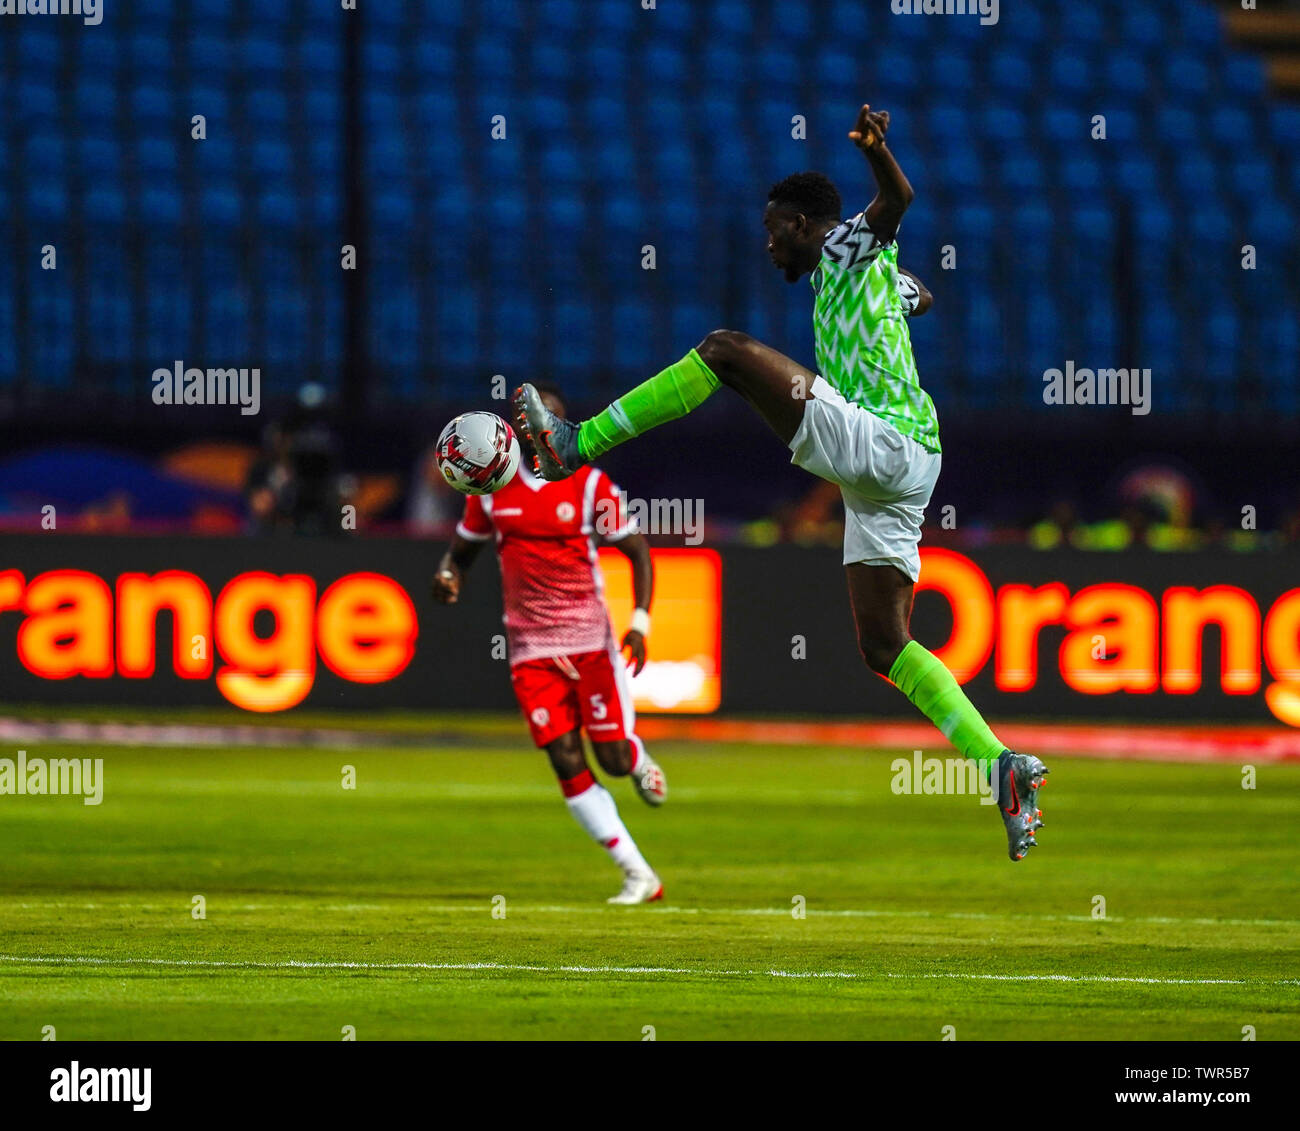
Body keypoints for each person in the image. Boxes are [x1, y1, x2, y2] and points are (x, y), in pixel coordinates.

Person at [514, 105, 1048, 861]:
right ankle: (1003, 767)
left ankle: (577, 443)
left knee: (725, 350)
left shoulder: (844, 247)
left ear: (806, 224)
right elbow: (918, 294)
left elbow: (897, 205)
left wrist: (878, 156)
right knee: (885, 644)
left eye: (775, 230)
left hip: (885, 442)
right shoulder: (865, 276)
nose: (768, 245)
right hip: (902, 470)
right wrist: (909, 291)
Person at [433, 383, 669, 902]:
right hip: (530, 651)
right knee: (564, 758)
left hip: (589, 642)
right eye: (534, 425)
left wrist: (640, 622)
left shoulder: (589, 486)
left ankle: (636, 757)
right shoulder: (491, 486)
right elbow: (462, 553)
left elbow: (637, 550)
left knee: (611, 759)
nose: (542, 434)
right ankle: (637, 872)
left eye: (553, 424)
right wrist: (448, 575)